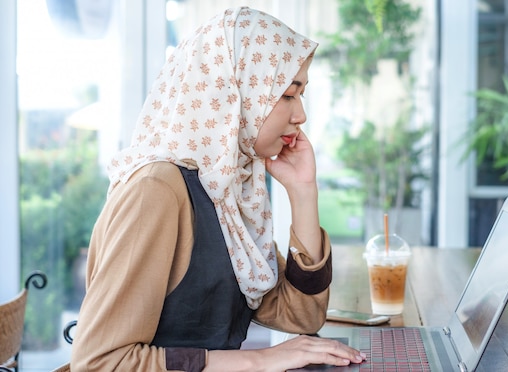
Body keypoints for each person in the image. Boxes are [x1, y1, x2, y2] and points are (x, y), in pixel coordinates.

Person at [70, 6, 366, 371]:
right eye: (288, 95)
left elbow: (302, 317)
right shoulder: (156, 190)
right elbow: (100, 363)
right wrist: (259, 361)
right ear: (236, 94)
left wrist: (304, 192)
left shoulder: (226, 188)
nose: (300, 115)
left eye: (300, 95)